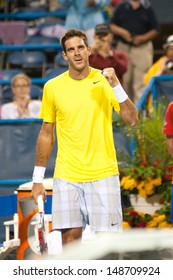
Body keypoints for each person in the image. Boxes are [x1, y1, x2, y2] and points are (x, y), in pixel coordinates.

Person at [31, 28, 138, 246]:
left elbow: (132, 119)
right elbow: (46, 133)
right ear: (64, 55)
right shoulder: (52, 87)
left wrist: (116, 85)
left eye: (81, 47)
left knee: (106, 246)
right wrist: (37, 180)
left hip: (104, 173)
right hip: (67, 174)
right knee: (70, 242)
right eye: (71, 50)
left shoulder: (105, 81)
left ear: (89, 50)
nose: (77, 53)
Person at [109, 0, 159, 103]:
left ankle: (140, 114)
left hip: (142, 48)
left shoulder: (147, 8)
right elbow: (111, 25)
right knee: (124, 82)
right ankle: (125, 114)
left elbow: (156, 29)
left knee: (140, 83)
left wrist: (142, 38)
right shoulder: (121, 6)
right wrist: (123, 33)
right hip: (124, 47)